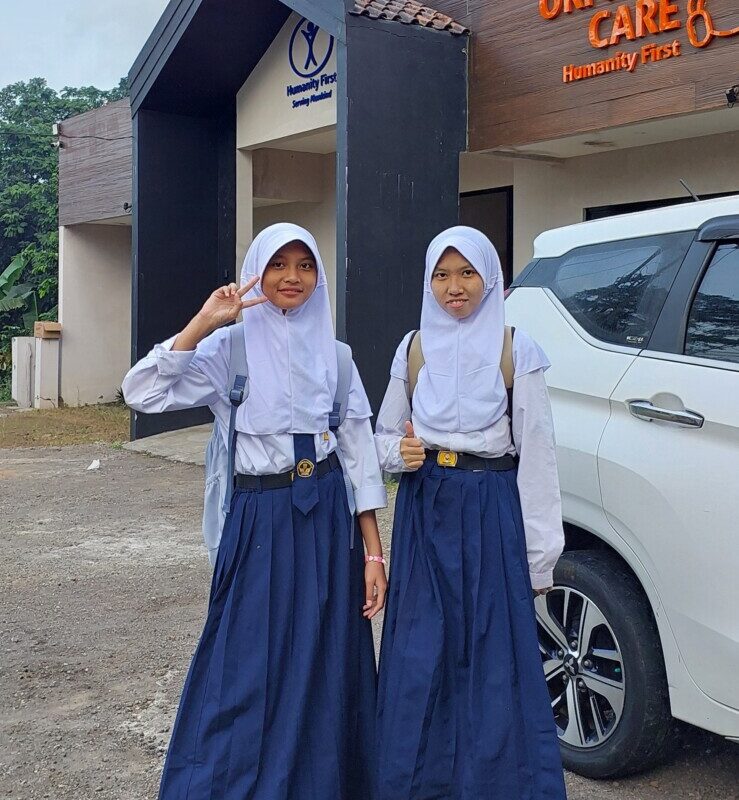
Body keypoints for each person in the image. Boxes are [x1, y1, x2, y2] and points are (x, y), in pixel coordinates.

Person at [123, 222, 387, 800]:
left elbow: (359, 455)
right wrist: (204, 322)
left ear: (318, 276)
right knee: (242, 661)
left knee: (324, 657)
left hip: (324, 520)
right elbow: (141, 392)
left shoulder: (337, 358)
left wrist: (373, 552)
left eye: (304, 265)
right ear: (257, 272)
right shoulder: (229, 348)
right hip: (257, 517)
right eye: (278, 265)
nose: (291, 277)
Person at [374, 226, 567, 799]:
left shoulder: (516, 349)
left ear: (490, 278)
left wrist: (539, 560)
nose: (454, 288)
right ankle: (417, 786)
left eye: (466, 274)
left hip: (490, 509)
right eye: (441, 275)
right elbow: (382, 435)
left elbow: (537, 459)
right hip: (425, 508)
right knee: (418, 653)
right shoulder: (414, 347)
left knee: (491, 655)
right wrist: (399, 453)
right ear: (428, 281)